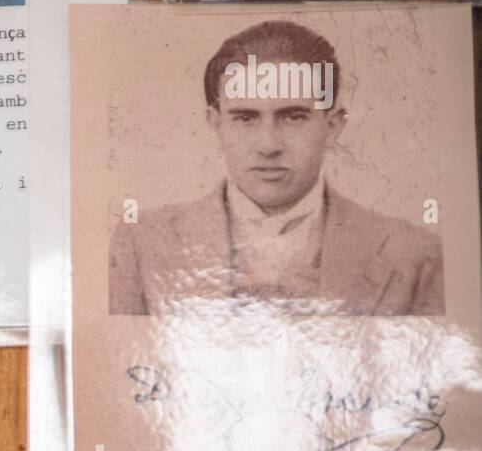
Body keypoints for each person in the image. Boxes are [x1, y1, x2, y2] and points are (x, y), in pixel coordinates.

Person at [109, 20, 445, 316]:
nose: (269, 145)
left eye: (293, 117)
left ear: (332, 125)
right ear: (216, 123)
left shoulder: (412, 255)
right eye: (245, 118)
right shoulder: (143, 244)